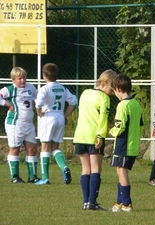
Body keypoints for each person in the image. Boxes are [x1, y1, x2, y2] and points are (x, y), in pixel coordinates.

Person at [73, 69, 117, 210]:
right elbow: (102, 118)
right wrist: (100, 136)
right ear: (103, 83)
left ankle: (86, 202)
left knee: (85, 170)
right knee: (96, 170)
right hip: (94, 136)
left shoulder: (85, 93)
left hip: (80, 135)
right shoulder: (104, 98)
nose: (113, 91)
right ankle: (92, 202)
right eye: (112, 87)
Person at [34, 63, 78, 185]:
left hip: (48, 117)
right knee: (55, 148)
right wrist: (65, 115)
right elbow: (73, 101)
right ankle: (64, 167)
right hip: (59, 117)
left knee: (45, 147)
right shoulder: (62, 88)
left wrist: (39, 113)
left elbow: (38, 103)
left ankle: (45, 178)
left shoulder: (44, 88)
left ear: (45, 75)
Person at [109, 74, 143, 212]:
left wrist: (111, 131)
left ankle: (127, 203)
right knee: (120, 171)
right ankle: (119, 201)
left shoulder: (123, 105)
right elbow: (141, 125)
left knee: (122, 172)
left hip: (124, 144)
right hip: (133, 144)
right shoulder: (136, 104)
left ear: (117, 89)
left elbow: (120, 126)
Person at [0, 67, 40, 183]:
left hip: (28, 124)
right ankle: (15, 176)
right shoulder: (10, 89)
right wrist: (7, 104)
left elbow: (37, 98)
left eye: (24, 78)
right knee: (15, 148)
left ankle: (32, 176)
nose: (23, 80)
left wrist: (36, 103)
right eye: (20, 78)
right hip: (15, 123)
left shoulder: (30, 87)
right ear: (13, 80)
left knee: (32, 149)